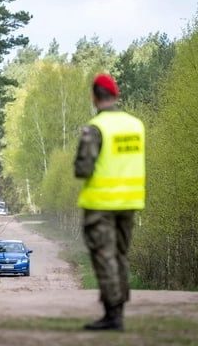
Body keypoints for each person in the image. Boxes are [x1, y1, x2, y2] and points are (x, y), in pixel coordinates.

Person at [74, 73, 145, 331]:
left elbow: (83, 169)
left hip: (101, 204)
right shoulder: (136, 125)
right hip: (130, 201)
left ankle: (113, 315)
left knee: (104, 257)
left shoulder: (96, 127)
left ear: (94, 97)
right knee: (119, 256)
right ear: (116, 95)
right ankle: (118, 311)